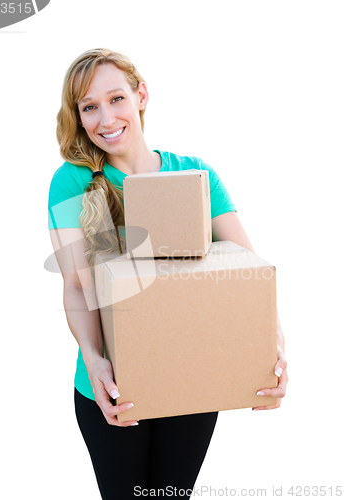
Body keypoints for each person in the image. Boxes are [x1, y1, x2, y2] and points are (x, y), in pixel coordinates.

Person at [48, 48, 288, 500]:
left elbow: (248, 276)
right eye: (89, 107)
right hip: (114, 387)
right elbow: (78, 287)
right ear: (78, 117)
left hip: (192, 377)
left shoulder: (195, 175)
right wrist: (95, 358)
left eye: (116, 98)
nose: (105, 118)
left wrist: (271, 350)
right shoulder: (74, 182)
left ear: (141, 95)